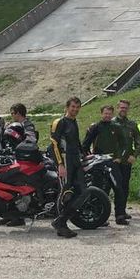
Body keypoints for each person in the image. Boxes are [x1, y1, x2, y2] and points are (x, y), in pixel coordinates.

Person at [83, 105, 129, 225]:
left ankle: (120, 215)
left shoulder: (116, 127)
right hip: (98, 163)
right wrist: (90, 157)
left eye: (109, 114)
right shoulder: (95, 127)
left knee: (118, 187)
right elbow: (85, 145)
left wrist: (120, 158)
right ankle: (98, 216)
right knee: (99, 189)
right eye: (105, 113)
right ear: (101, 114)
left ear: (112, 114)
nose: (107, 116)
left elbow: (125, 145)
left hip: (112, 162)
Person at [49, 97, 88, 238]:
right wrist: (60, 164)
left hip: (75, 161)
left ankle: (60, 221)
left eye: (77, 107)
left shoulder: (74, 122)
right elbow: (54, 144)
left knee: (83, 192)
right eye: (73, 107)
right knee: (64, 193)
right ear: (67, 107)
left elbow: (75, 142)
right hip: (65, 161)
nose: (75, 109)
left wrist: (85, 155)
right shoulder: (59, 122)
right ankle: (61, 225)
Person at [112, 99, 140, 223]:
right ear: (117, 108)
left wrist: (134, 155)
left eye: (125, 108)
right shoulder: (111, 123)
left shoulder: (132, 124)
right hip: (114, 161)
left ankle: (122, 211)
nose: (123, 109)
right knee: (116, 187)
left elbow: (139, 142)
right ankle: (118, 214)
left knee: (125, 187)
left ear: (128, 109)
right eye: (121, 107)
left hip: (126, 161)